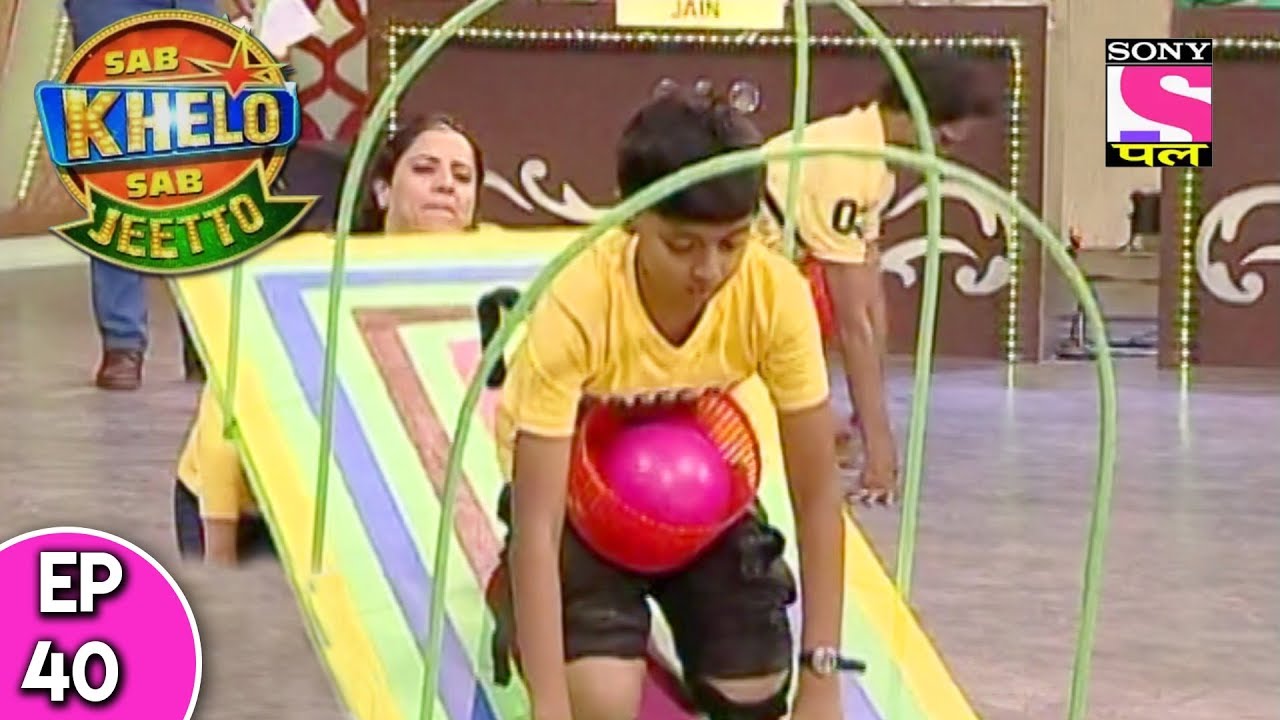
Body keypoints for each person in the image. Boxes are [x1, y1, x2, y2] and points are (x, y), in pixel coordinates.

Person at [489, 90, 847, 720]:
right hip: (578, 497)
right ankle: (520, 603)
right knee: (600, 702)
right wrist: (549, 704)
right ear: (631, 219)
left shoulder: (775, 293)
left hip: (695, 494)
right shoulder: (577, 302)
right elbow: (539, 523)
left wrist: (823, 677)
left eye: (732, 243)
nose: (709, 270)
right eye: (682, 246)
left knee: (756, 693)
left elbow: (818, 493)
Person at [174, 114, 485, 564]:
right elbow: (226, 418)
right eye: (424, 169)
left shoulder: (492, 280)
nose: (445, 186)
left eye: (462, 177)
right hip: (240, 508)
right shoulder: (315, 273)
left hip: (346, 512)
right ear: (382, 191)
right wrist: (220, 555)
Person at [759, 51, 998, 504]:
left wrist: (865, 418)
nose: (944, 155)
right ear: (912, 115)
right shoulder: (845, 161)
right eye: (943, 141)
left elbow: (870, 297)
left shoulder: (873, 164)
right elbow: (853, 321)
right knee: (816, 301)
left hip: (768, 282)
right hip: (730, 290)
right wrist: (880, 449)